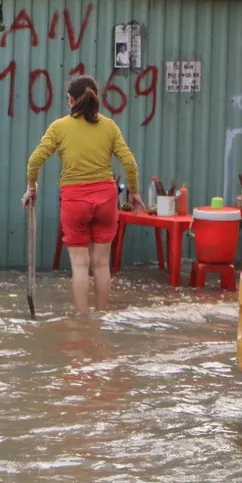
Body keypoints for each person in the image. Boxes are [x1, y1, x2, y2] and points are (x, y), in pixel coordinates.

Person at [23, 74, 145, 314]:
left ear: (70, 99)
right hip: (106, 199)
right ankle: (100, 318)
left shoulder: (59, 127)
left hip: (74, 200)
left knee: (80, 265)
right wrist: (134, 193)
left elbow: (35, 160)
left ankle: (81, 321)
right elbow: (129, 162)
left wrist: (32, 187)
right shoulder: (109, 126)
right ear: (95, 97)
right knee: (101, 265)